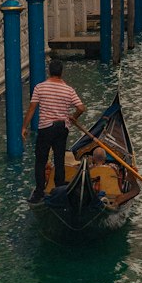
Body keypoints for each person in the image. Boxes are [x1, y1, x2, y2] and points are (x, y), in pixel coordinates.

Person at [22, 57, 85, 202]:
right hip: (62, 127)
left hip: (46, 128)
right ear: (61, 73)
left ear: (49, 72)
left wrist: (24, 127)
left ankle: (39, 192)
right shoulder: (68, 90)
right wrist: (73, 117)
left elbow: (32, 109)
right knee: (59, 158)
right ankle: (59, 189)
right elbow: (81, 108)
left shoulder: (40, 87)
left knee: (41, 160)